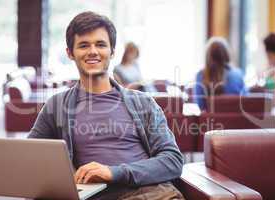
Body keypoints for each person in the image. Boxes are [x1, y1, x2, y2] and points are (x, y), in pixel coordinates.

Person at [28, 11, 184, 199]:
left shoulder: (143, 103)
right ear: (70, 53)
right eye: (84, 45)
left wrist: (113, 172)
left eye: (100, 44)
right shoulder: (57, 106)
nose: (93, 51)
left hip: (148, 193)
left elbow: (173, 160)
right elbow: (30, 159)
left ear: (112, 51)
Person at [194, 37, 246, 110]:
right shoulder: (237, 74)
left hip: (209, 120)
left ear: (207, 57)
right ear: (226, 54)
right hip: (236, 120)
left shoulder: (200, 76)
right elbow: (246, 102)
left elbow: (200, 105)